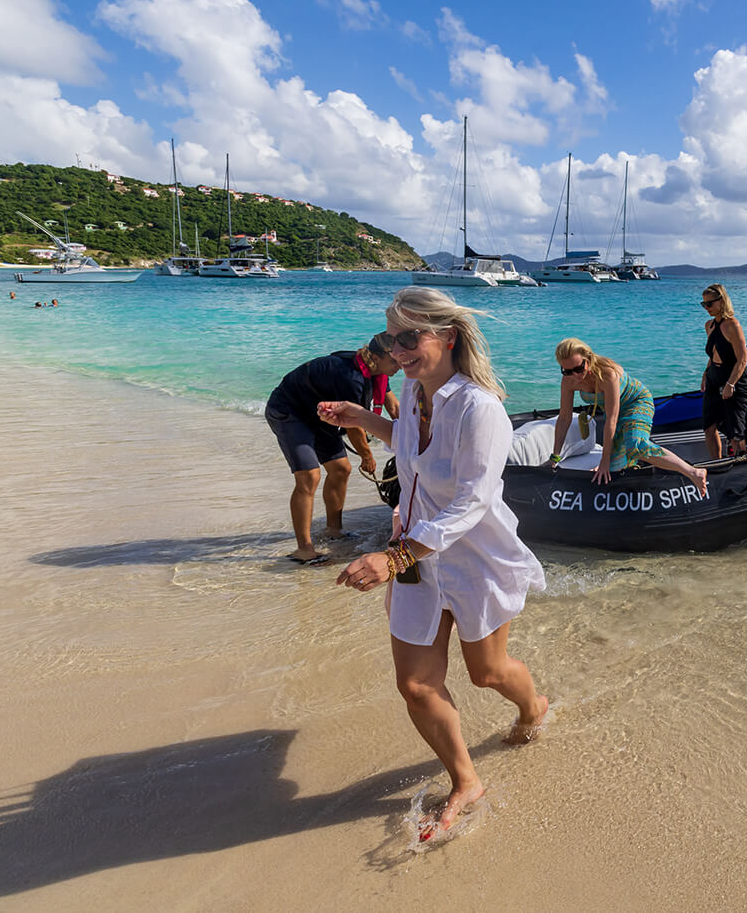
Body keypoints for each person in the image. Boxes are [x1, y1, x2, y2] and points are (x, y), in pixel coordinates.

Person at [319, 286, 549, 837]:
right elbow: (411, 447)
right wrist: (359, 416)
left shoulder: (480, 407)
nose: (396, 350)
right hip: (418, 556)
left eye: (407, 337)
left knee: (487, 672)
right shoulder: (412, 389)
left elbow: (472, 501)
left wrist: (393, 558)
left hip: (472, 556)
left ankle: (533, 707)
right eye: (387, 339)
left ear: (447, 336)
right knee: (417, 686)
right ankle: (465, 779)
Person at [266, 337, 401, 564]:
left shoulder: (378, 371)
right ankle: (304, 549)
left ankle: (333, 531)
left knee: (341, 469)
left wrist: (417, 438)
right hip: (291, 412)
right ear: (376, 358)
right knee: (309, 476)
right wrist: (367, 456)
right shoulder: (350, 377)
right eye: (394, 361)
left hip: (320, 415)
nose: (400, 365)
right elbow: (356, 424)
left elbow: (395, 406)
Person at [550, 338, 709, 495]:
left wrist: (604, 461)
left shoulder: (607, 373)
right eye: (567, 371)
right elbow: (564, 418)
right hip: (614, 410)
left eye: (579, 369)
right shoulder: (568, 382)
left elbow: (611, 421)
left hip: (636, 403)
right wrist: (555, 457)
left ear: (588, 359)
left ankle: (693, 472)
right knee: (614, 468)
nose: (575, 376)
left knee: (636, 446)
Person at [699, 284, 747, 458]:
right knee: (709, 426)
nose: (706, 308)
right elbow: (714, 354)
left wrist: (730, 384)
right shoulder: (709, 325)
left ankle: (741, 461)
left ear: (721, 301)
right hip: (714, 377)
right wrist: (705, 374)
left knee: (735, 430)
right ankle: (717, 463)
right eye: (703, 304)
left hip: (734, 379)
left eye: (709, 304)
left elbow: (743, 358)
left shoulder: (732, 325)